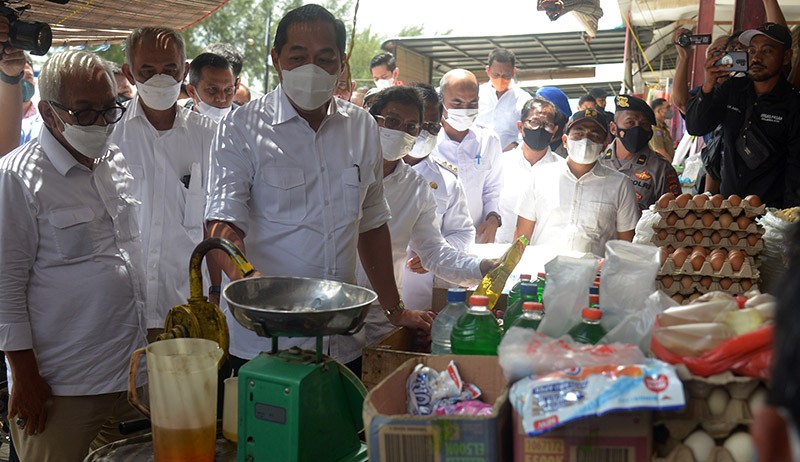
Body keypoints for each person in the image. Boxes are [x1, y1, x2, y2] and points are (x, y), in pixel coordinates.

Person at [205, 4, 434, 370]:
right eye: (298, 57)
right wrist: (249, 281)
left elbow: (372, 224)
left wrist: (394, 310)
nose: (312, 69)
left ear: (342, 63)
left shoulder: (361, 127)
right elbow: (220, 225)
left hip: (343, 340)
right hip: (266, 343)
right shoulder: (241, 129)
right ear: (276, 58)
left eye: (325, 59)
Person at [0, 50, 147, 462]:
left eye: (108, 110)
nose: (101, 122)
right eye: (84, 112)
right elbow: (5, 286)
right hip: (60, 387)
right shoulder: (16, 178)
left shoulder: (113, 160)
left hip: (129, 373)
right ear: (48, 113)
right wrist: (25, 377)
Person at [348, 86, 490, 360]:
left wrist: (480, 268)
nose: (400, 131)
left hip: (380, 318)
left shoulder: (416, 188)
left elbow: (434, 252)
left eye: (411, 126)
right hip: (327, 313)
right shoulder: (339, 168)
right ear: (371, 119)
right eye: (391, 122)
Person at [113, 27, 217, 339]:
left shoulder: (209, 137)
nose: (160, 78)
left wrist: (215, 292)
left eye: (170, 69)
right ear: (130, 74)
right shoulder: (109, 135)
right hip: (121, 312)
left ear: (185, 70)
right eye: (148, 70)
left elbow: (214, 221)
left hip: (186, 308)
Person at [685, 22, 800, 208]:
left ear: (786, 57)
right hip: (729, 210)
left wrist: (788, 222)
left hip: (769, 213)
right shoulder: (733, 90)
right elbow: (696, 127)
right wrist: (708, 85)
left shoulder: (793, 104)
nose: (756, 58)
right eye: (752, 51)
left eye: (767, 51)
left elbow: (796, 169)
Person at [514, 108, 639, 256]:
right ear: (565, 141)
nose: (585, 140)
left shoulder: (620, 185)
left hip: (592, 276)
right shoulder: (539, 176)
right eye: (578, 134)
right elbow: (522, 236)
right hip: (542, 274)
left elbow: (625, 245)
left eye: (594, 135)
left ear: (604, 145)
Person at [402, 83, 476, 311]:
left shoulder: (447, 181)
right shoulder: (370, 170)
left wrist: (432, 256)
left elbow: (463, 233)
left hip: (418, 296)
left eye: (433, 126)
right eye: (419, 124)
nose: (425, 132)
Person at [435, 69, 503, 243]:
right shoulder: (427, 142)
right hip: (432, 245)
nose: (465, 110)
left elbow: (492, 188)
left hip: (475, 242)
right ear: (441, 101)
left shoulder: (489, 140)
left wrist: (493, 217)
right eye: (457, 103)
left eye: (472, 103)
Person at [496, 97, 564, 244]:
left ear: (554, 131)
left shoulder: (562, 170)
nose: (540, 129)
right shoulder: (499, 164)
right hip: (499, 252)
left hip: (541, 258)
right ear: (520, 127)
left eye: (547, 125)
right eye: (534, 122)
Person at [599, 94, 681, 210]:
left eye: (644, 124)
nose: (637, 129)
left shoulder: (660, 168)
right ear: (613, 128)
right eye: (630, 123)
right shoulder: (597, 162)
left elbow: (673, 214)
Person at [476, 48, 532, 151]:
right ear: (488, 70)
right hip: (477, 155)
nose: (500, 79)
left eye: (506, 75)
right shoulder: (476, 95)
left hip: (510, 157)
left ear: (513, 72)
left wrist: (516, 144)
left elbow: (529, 130)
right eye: (496, 75)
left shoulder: (524, 99)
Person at [186, 52, 237, 123]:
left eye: (228, 90)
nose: (222, 98)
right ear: (191, 91)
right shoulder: (173, 124)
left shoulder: (244, 129)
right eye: (212, 89)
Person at [649, 97, 675, 162]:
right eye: (668, 107)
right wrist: (671, 166)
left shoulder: (662, 127)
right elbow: (659, 151)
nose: (670, 110)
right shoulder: (655, 129)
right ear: (659, 111)